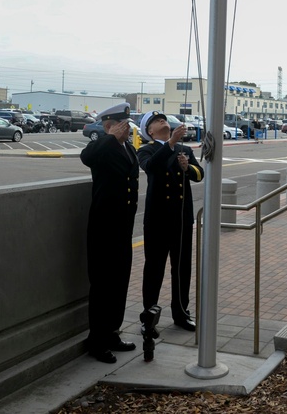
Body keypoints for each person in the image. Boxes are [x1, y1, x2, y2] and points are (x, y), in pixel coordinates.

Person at [79, 102, 139, 364]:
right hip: (104, 227)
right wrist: (110, 137)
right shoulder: (101, 148)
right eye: (123, 126)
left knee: (119, 282)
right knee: (102, 285)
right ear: (108, 126)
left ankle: (112, 332)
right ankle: (97, 340)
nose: (128, 130)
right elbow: (86, 157)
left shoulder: (129, 148)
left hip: (123, 226)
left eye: (128, 126)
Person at [138, 110, 205, 335]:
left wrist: (188, 167)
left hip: (181, 219)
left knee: (182, 268)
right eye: (157, 121)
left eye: (164, 119)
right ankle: (149, 316)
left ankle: (181, 313)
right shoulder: (146, 149)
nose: (163, 122)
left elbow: (199, 174)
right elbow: (152, 167)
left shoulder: (184, 149)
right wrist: (171, 143)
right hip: (158, 220)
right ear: (149, 130)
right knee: (154, 268)